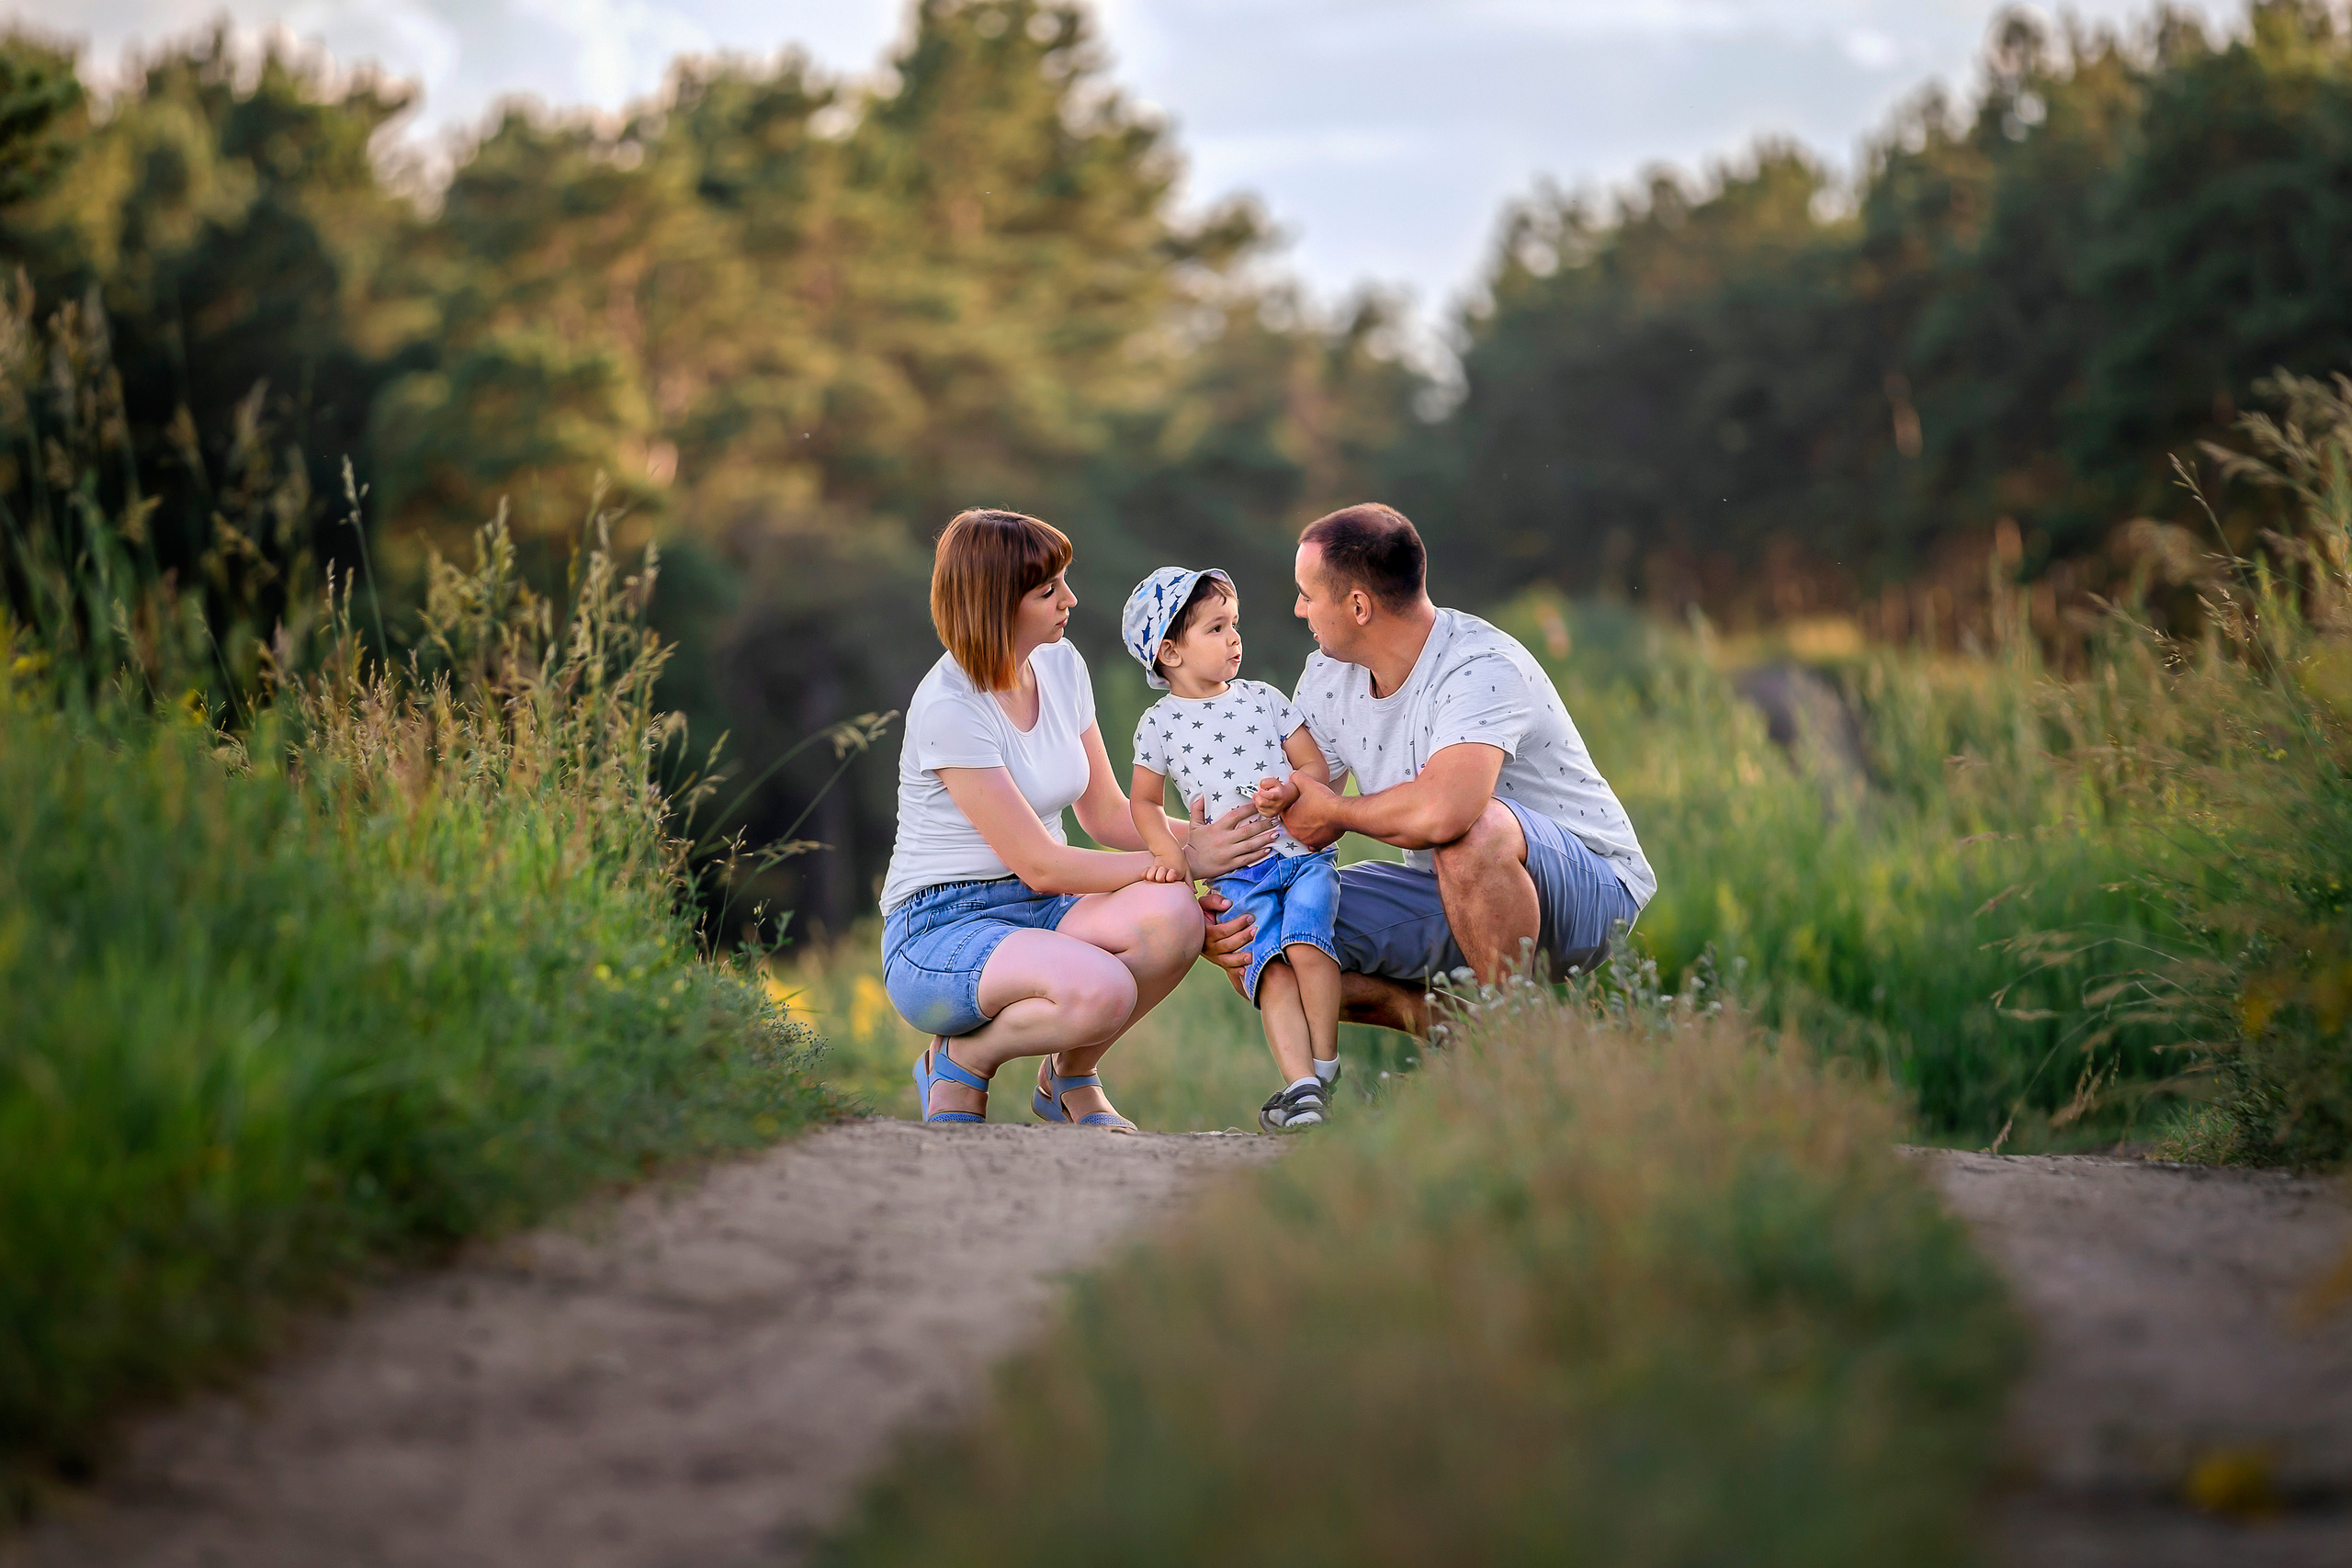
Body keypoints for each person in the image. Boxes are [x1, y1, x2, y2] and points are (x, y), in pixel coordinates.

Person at [879, 509, 1277, 1129]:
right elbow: (1039, 865)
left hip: (1043, 909)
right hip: (941, 928)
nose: (1071, 598)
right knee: (1104, 988)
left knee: (1174, 918)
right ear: (996, 604)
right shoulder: (948, 706)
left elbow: (1109, 814)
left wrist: (1217, 841)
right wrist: (1182, 860)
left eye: (1063, 580)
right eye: (1048, 590)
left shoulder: (1061, 666)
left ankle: (1069, 1077)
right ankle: (960, 1059)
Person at [1204, 502, 1654, 1037]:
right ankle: (1454, 1030)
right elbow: (1304, 821)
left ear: (1358, 606)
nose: (1299, 609)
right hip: (1452, 888)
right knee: (1261, 936)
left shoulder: (1480, 666)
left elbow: (1448, 814)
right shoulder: (1327, 673)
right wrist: (1214, 878)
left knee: (1472, 831)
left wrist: (1339, 811)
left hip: (1590, 891)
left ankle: (1520, 1046)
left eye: (1307, 594)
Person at [1121, 566, 1340, 1133]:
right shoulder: (1158, 725)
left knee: (1310, 945)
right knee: (1270, 971)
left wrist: (1291, 788)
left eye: (1234, 624)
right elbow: (1142, 803)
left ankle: (1326, 1065)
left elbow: (1312, 765)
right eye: (1216, 628)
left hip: (1299, 855)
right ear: (1169, 651)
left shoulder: (1264, 699)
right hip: (1238, 877)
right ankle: (1303, 1088)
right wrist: (1172, 854)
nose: (1235, 639)